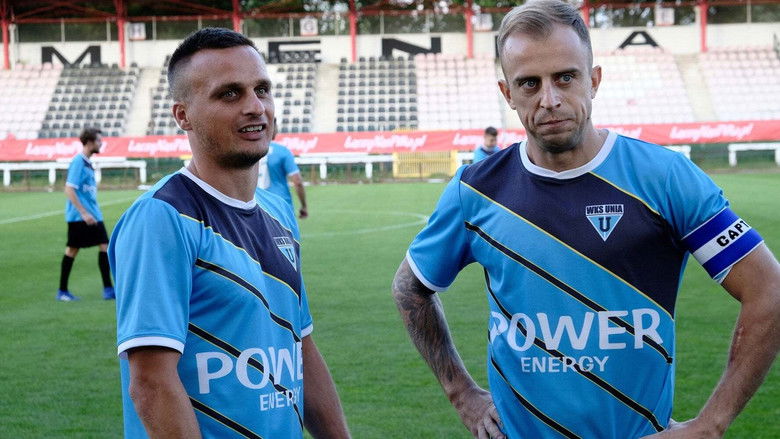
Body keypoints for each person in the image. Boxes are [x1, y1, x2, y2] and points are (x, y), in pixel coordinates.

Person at [391, 1, 780, 438]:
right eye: (529, 83)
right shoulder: (475, 191)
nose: (550, 99)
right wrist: (462, 394)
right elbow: (410, 288)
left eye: (565, 77)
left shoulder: (664, 178)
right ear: (507, 93)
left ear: (593, 80)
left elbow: (768, 288)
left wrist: (710, 424)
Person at [109, 28, 350, 439]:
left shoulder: (278, 213)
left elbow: (301, 349)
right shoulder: (162, 218)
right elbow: (151, 383)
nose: (255, 107)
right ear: (182, 116)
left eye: (262, 90)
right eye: (230, 94)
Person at [56, 127, 114, 301]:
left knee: (104, 245)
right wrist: (83, 213)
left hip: (93, 215)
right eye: (98, 140)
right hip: (80, 217)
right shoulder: (78, 162)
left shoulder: (87, 163)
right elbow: (69, 189)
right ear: (89, 142)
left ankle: (108, 289)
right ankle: (62, 291)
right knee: (72, 250)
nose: (101, 143)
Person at [257, 119, 308, 219]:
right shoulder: (282, 151)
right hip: (281, 206)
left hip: (257, 205)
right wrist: (304, 206)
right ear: (272, 128)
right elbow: (297, 181)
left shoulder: (250, 151)